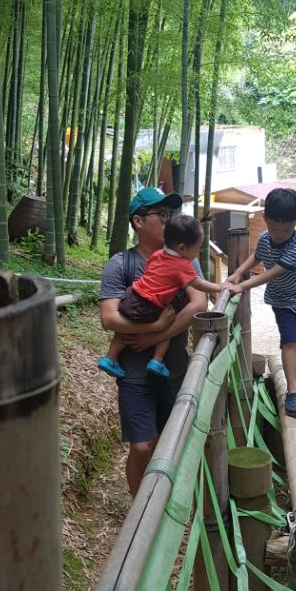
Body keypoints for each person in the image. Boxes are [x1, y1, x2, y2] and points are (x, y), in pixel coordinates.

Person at [98, 187, 207, 495]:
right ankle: (138, 508)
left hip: (174, 369)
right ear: (138, 221)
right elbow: (109, 318)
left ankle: (158, 506)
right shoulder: (121, 264)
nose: (169, 220)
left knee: (165, 444)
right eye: (162, 214)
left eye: (171, 214)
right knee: (142, 446)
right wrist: (154, 326)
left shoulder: (185, 258)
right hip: (133, 375)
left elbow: (198, 304)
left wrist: (154, 336)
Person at [223, 187, 296, 419]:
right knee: (290, 342)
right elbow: (257, 256)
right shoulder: (264, 238)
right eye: (274, 228)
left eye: (286, 229)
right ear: (265, 218)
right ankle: (293, 391)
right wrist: (237, 273)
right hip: (283, 301)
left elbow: (271, 273)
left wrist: (242, 286)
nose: (279, 234)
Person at [98, 213, 222, 379]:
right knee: (166, 325)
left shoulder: (157, 254)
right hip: (150, 305)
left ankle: (110, 358)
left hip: (131, 298)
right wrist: (220, 287)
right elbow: (199, 284)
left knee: (124, 332)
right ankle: (157, 360)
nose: (199, 251)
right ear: (182, 248)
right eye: (198, 247)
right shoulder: (182, 265)